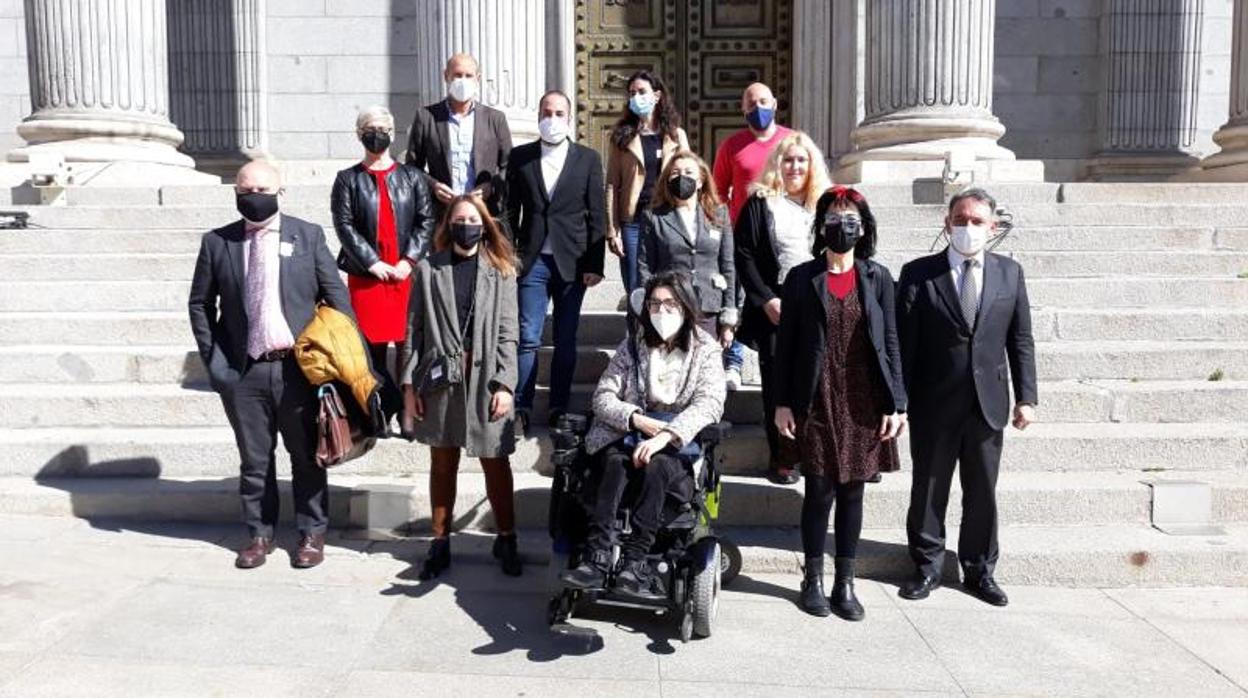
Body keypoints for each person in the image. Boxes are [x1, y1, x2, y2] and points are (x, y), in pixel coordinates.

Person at [188, 160, 352, 570]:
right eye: (246, 190)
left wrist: (332, 358)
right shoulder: (217, 242)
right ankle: (259, 535)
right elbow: (200, 305)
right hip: (244, 372)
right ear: (236, 194)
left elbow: (338, 299)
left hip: (298, 369)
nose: (253, 196)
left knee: (306, 457)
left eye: (262, 189)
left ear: (280, 192)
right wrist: (216, 361)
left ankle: (312, 533)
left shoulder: (308, 236)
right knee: (255, 460)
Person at [897, 188, 1038, 608]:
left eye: (977, 221)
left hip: (987, 402)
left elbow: (1021, 339)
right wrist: (898, 403)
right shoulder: (919, 274)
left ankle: (979, 571)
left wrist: (1026, 396)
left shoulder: (1010, 273)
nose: (968, 227)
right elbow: (904, 344)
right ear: (947, 223)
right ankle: (926, 568)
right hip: (933, 402)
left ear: (992, 227)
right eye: (961, 219)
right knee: (929, 488)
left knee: (982, 491)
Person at [773, 186, 907, 620]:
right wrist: (781, 402)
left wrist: (897, 404)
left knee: (853, 493)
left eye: (850, 219)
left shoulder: (879, 277)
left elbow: (890, 342)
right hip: (814, 394)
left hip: (864, 398)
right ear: (822, 226)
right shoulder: (800, 278)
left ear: (863, 227)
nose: (842, 226)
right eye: (834, 218)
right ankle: (811, 579)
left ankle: (844, 583)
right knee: (818, 490)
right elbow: (786, 346)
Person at [561, 271, 727, 600]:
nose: (661, 312)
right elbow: (603, 396)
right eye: (654, 304)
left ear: (686, 306)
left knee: (657, 467)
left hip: (676, 446)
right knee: (614, 462)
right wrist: (637, 420)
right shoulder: (634, 345)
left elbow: (709, 404)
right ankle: (597, 557)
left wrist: (664, 436)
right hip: (629, 435)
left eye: (670, 304)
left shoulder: (706, 350)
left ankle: (634, 562)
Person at [399, 194, 523, 579]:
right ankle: (439, 541)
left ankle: (506, 537)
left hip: (486, 378)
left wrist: (506, 384)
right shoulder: (428, 270)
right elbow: (412, 332)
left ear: (484, 225)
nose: (466, 225)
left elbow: (508, 333)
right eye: (459, 218)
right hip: (440, 379)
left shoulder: (501, 270)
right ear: (447, 224)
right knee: (442, 461)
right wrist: (408, 387)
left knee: (495, 459)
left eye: (473, 218)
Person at [506, 89, 607, 431]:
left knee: (566, 337)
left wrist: (596, 264)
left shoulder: (588, 159)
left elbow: (597, 214)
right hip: (531, 261)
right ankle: (521, 406)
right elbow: (508, 211)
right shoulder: (520, 158)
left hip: (573, 262)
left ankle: (559, 406)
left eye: (559, 113)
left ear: (569, 118)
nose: (552, 118)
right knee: (527, 335)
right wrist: (508, 254)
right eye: (546, 112)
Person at [734, 131, 831, 485]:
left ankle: (815, 452)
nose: (794, 166)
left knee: (818, 379)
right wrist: (765, 300)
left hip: (818, 303)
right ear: (777, 163)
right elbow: (744, 255)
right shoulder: (761, 203)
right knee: (778, 382)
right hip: (776, 304)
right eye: (788, 159)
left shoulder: (825, 204)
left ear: (812, 165)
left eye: (802, 160)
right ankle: (783, 457)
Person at [331, 105, 436, 425]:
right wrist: (372, 262)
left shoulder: (413, 177)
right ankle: (377, 411)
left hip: (406, 273)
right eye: (368, 128)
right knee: (371, 348)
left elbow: (426, 220)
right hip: (368, 277)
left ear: (392, 133)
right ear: (359, 134)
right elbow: (344, 225)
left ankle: (407, 412)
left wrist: (409, 260)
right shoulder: (347, 179)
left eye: (381, 127)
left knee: (408, 346)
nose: (375, 133)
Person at [712, 82, 789, 390]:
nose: (758, 108)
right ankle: (733, 362)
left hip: (781, 234)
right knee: (738, 297)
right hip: (741, 235)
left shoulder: (790, 141)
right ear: (743, 109)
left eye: (763, 101)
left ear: (774, 103)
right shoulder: (732, 145)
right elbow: (717, 191)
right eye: (751, 103)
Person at [636, 151, 738, 378]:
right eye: (675, 173)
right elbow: (644, 266)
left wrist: (729, 319)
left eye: (689, 172)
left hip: (708, 308)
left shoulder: (719, 215)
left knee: (706, 373)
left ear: (701, 180)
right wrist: (652, 306)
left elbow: (728, 267)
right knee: (672, 371)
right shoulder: (654, 217)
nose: (682, 177)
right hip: (670, 308)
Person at [604, 70, 690, 294]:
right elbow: (612, 184)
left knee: (670, 282)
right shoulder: (622, 137)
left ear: (657, 95)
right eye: (632, 93)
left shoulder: (676, 135)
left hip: (668, 216)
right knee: (636, 284)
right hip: (634, 220)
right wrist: (613, 231)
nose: (636, 97)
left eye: (642, 91)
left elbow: (690, 177)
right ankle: (636, 329)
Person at [405, 52, 513, 216]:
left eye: (468, 76)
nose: (463, 81)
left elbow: (509, 166)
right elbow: (412, 167)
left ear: (477, 79)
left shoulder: (495, 119)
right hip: (442, 214)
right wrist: (433, 186)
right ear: (446, 76)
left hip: (484, 213)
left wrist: (492, 186)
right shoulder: (426, 117)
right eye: (457, 75)